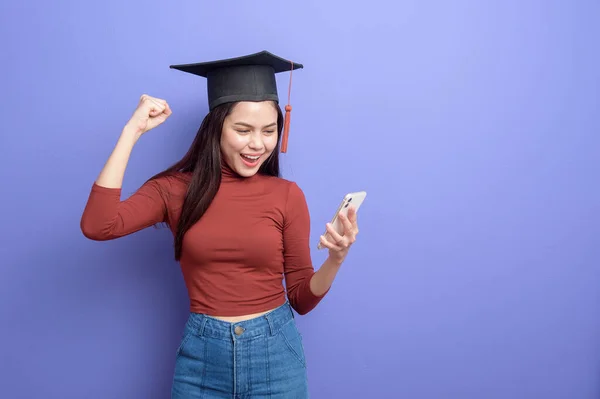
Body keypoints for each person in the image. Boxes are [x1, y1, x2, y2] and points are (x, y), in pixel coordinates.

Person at [80, 50, 360, 398]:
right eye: (243, 130)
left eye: (269, 131)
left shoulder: (287, 195)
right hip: (202, 359)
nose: (257, 144)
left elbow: (301, 298)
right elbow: (98, 225)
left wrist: (336, 258)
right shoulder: (174, 190)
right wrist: (132, 130)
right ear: (217, 127)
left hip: (276, 357)